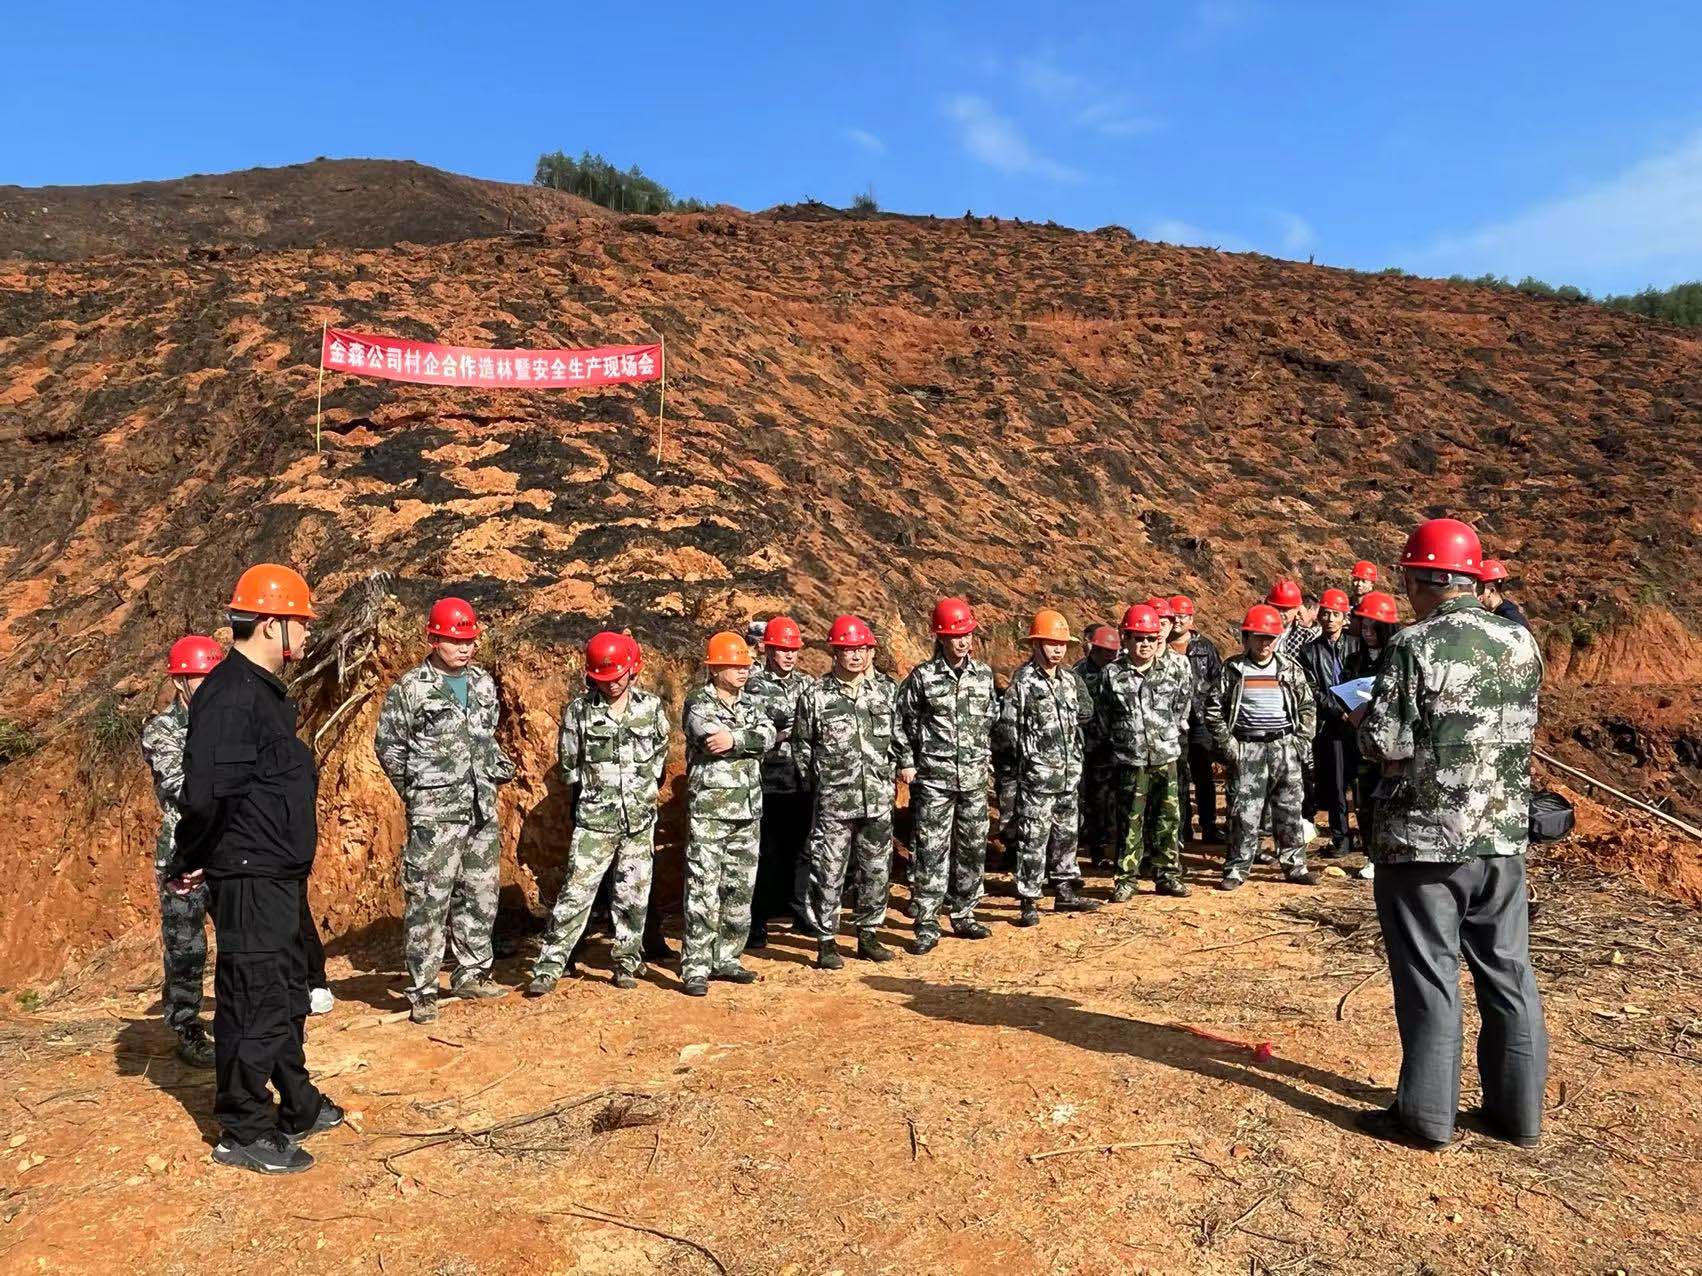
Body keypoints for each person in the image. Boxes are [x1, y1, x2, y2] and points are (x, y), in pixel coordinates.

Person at [1354, 518, 1546, 1151]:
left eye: (1408, 576)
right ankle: (1518, 1119)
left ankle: (1427, 1119)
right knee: (1508, 973)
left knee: (1430, 976)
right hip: (1502, 841)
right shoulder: (1522, 643)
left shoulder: (1414, 645)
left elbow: (1387, 741)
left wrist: (1361, 718)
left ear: (1424, 576)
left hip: (1425, 844)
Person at [166, 564, 342, 1175]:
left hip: (277, 873)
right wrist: (188, 860)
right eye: (300, 624)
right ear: (271, 624)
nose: (307, 636)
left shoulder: (262, 692)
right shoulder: (230, 696)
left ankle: (296, 1102)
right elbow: (206, 795)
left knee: (288, 992)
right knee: (254, 1000)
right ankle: (243, 1127)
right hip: (248, 875)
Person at [374, 598, 516, 1024]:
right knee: (429, 900)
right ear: (433, 639)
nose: (464, 648)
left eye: (469, 640)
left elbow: (486, 738)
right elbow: (389, 748)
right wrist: (418, 792)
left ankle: (472, 972)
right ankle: (422, 990)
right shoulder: (411, 688)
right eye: (454, 640)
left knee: (480, 893)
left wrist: (491, 769)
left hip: (480, 808)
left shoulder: (483, 684)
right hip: (435, 815)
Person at [527, 632, 670, 995]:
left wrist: (643, 792)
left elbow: (659, 757)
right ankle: (549, 966)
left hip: (638, 820)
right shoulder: (579, 711)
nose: (611, 685)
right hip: (595, 821)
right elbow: (570, 764)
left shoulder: (651, 708)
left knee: (633, 897)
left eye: (617, 677)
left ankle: (626, 962)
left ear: (632, 671)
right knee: (576, 893)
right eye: (603, 679)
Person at [793, 615, 905, 968]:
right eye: (847, 649)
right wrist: (819, 783)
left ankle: (868, 934)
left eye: (860, 649)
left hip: (877, 797)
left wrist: (898, 774)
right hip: (834, 801)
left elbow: (900, 738)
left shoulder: (886, 691)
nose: (854, 656)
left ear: (870, 651)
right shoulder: (815, 695)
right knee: (828, 871)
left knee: (875, 870)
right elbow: (802, 745)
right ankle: (826, 940)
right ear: (835, 652)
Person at [896, 598, 998, 954]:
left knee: (971, 850)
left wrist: (987, 763)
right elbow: (901, 723)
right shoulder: (922, 678)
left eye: (967, 634)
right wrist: (907, 762)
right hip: (935, 780)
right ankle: (926, 921)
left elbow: (991, 721)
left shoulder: (983, 675)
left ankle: (965, 913)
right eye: (954, 635)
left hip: (973, 779)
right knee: (931, 851)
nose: (962, 642)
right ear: (939, 637)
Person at [140, 636, 223, 1069]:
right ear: (180, 680)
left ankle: (236, 1019)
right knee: (186, 948)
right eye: (199, 678)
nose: (207, 686)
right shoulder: (162, 730)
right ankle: (187, 1025)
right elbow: (184, 790)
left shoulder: (231, 723)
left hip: (230, 850)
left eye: (213, 677)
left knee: (240, 941)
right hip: (183, 855)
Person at [679, 632, 777, 996]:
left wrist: (736, 740)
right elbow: (708, 739)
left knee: (738, 888)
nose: (743, 671)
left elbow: (768, 735)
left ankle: (727, 958)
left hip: (747, 810)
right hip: (709, 811)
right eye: (735, 665)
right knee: (703, 888)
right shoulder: (698, 702)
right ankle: (696, 965)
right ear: (715, 668)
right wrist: (748, 740)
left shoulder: (752, 704)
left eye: (746, 665)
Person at [992, 609, 1101, 924]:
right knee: (1033, 838)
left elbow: (1077, 722)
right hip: (1036, 778)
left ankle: (1066, 891)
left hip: (1068, 775)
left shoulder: (1069, 680)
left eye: (1062, 644)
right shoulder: (1023, 682)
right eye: (1051, 643)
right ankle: (1029, 900)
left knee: (1067, 834)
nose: (1057, 649)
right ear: (1036, 644)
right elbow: (1007, 732)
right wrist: (1016, 775)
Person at [1205, 604, 1319, 890]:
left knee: (1290, 809)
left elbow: (1307, 706)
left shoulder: (1289, 668)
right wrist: (1230, 746)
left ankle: (1295, 865)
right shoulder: (1233, 670)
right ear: (1246, 638)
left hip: (1283, 745)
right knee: (1244, 812)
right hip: (1248, 747)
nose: (1265, 643)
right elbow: (1213, 710)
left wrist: (1300, 742)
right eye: (1258, 637)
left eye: (1270, 637)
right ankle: (1237, 867)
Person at [1099, 604, 1194, 900]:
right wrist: (1123, 741)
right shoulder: (1112, 674)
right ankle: (1127, 878)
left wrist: (1166, 736)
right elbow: (1104, 716)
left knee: (1168, 818)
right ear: (1125, 639)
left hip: (1165, 755)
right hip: (1131, 759)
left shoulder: (1175, 668)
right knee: (1130, 820)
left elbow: (1182, 707)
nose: (1145, 645)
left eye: (1151, 639)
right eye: (1138, 638)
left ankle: (1167, 874)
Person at [744, 616, 812, 946]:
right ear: (768, 650)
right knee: (765, 853)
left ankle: (801, 913)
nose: (788, 655)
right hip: (767, 780)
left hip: (801, 779)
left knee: (803, 850)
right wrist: (783, 731)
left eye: (793, 650)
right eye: (781, 649)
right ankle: (757, 922)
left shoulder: (808, 684)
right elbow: (756, 728)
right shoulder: (753, 685)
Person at [1296, 589, 1361, 857]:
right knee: (1334, 786)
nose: (1330, 619)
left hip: (1358, 722)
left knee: (1359, 785)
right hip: (1330, 725)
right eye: (1325, 614)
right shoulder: (1309, 651)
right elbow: (1311, 688)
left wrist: (1355, 711)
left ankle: (1366, 838)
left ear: (1345, 617)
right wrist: (1338, 711)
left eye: (1335, 614)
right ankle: (1340, 837)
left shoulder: (1356, 646)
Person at [1169, 594, 1223, 843]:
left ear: (1191, 619)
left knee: (1203, 775)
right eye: (1174, 616)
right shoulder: (1161, 646)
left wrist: (1212, 709)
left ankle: (1209, 825)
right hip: (1172, 722)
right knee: (1178, 776)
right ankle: (1182, 828)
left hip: (1200, 720)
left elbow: (1217, 680)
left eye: (1182, 616)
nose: (1177, 620)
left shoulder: (1205, 647)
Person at [1073, 624, 1122, 865]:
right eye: (1106, 652)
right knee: (1093, 799)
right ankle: (1096, 848)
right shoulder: (1078, 673)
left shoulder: (1121, 672)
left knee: (1115, 798)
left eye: (1114, 652)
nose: (1111, 657)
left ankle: (1113, 845)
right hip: (1089, 746)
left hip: (1118, 745)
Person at [1266, 579, 1317, 662]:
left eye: (1285, 609)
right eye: (1277, 608)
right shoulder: (1259, 632)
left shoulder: (1306, 637)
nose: (1280, 613)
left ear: (1297, 609)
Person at [1477, 560, 1530, 630]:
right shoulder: (1490, 612)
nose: (1477, 596)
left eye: (1480, 590)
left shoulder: (1512, 619)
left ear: (1492, 590)